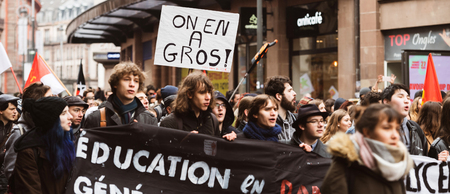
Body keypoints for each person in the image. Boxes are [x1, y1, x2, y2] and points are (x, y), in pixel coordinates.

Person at [322, 104, 414, 194]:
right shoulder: (345, 166)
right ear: (367, 132)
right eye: (387, 128)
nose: (395, 135)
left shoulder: (397, 165)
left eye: (397, 129)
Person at [12, 97, 75, 193]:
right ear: (50, 120)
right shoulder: (29, 152)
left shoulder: (68, 144)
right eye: (63, 113)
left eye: (68, 111)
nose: (70, 116)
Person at [160, 72, 234, 140]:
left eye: (209, 92)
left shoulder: (212, 120)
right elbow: (162, 152)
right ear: (189, 94)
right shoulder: (170, 123)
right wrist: (184, 143)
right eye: (202, 93)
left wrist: (228, 139)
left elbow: (216, 150)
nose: (208, 97)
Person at [83, 62, 157, 128]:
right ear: (115, 83)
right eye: (127, 79)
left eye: (136, 81)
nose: (132, 84)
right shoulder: (96, 118)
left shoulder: (149, 119)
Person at [4, 82, 52, 180]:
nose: (54, 101)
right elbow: (10, 171)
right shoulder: (19, 132)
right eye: (50, 98)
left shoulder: (51, 128)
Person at [381, 83, 427, 155]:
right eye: (400, 97)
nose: (406, 101)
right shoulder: (377, 128)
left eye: (408, 98)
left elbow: (425, 157)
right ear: (386, 102)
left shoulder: (414, 128)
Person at [264, 76, 297, 144]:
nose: (294, 93)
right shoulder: (268, 123)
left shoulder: (296, 120)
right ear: (279, 96)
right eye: (289, 90)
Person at [0, 94, 19, 192]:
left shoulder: (17, 129)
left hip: (6, 180)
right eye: (11, 109)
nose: (15, 112)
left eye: (15, 109)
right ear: (1, 111)